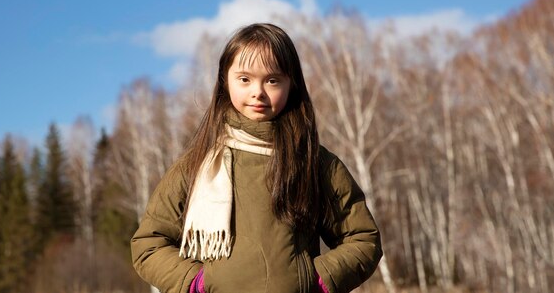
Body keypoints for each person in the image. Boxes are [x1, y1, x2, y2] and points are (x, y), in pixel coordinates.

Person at [131, 23, 382, 293]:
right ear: (225, 81)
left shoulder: (314, 162)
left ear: (291, 84)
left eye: (272, 80)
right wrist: (198, 283)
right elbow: (149, 244)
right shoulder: (194, 166)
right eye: (244, 79)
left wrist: (315, 280)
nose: (258, 92)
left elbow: (363, 238)